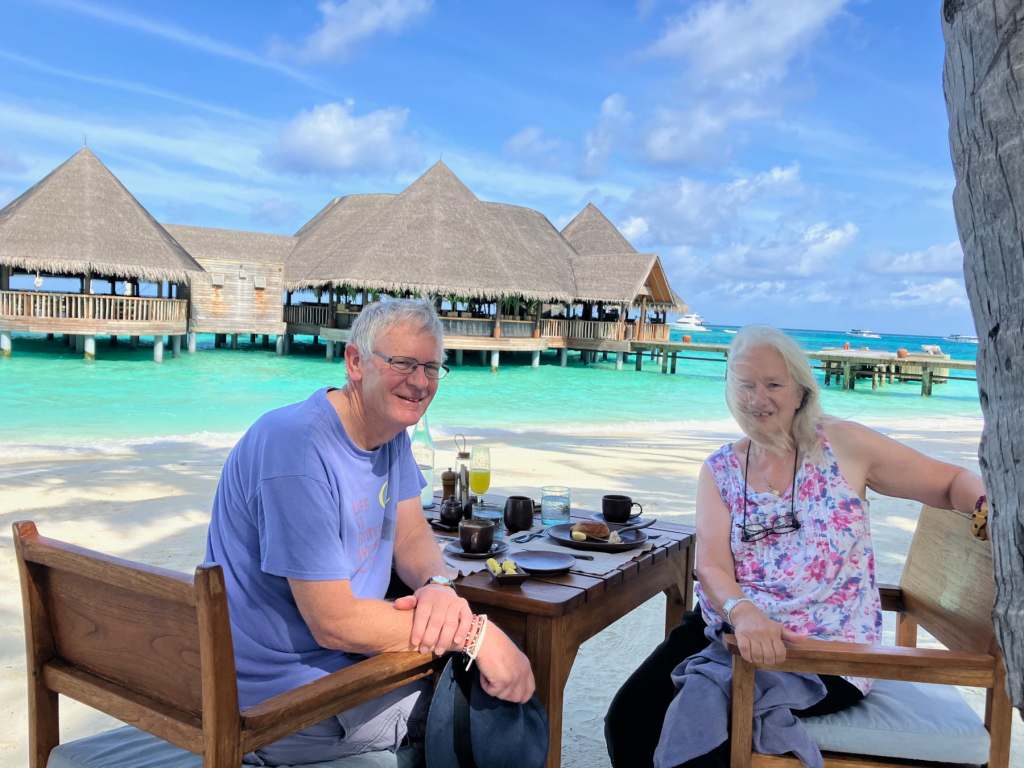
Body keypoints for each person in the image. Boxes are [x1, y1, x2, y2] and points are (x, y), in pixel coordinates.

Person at [605, 325, 986, 767]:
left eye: (773, 384)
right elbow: (711, 566)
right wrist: (744, 614)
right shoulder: (720, 469)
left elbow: (950, 482)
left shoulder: (844, 446)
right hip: (731, 629)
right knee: (628, 720)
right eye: (745, 384)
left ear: (801, 391)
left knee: (703, 727)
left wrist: (985, 506)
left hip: (827, 648)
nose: (757, 398)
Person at [206, 299, 535, 766]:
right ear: (355, 363)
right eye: (402, 363)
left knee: (496, 678)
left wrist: (438, 587)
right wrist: (475, 635)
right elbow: (335, 623)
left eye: (431, 367)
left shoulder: (387, 431)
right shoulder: (297, 450)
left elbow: (409, 536)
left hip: (348, 668)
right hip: (287, 702)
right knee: (492, 710)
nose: (420, 382)